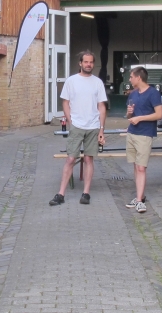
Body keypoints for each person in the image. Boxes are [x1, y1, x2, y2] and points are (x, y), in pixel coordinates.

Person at [49, 50, 107, 206]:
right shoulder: (71, 81)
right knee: (70, 159)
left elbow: (101, 106)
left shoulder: (98, 82)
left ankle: (86, 193)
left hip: (93, 126)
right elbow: (65, 102)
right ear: (80, 63)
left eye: (91, 62)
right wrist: (71, 121)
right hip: (76, 125)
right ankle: (61, 194)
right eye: (86, 62)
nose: (88, 64)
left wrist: (101, 129)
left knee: (88, 159)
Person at [124, 67, 162, 213]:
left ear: (138, 77)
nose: (130, 79)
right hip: (132, 133)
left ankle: (140, 201)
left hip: (145, 134)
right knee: (136, 166)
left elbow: (159, 114)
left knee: (141, 167)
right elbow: (129, 116)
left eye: (131, 77)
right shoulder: (133, 94)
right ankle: (139, 196)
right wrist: (129, 114)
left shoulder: (153, 93)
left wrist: (140, 118)